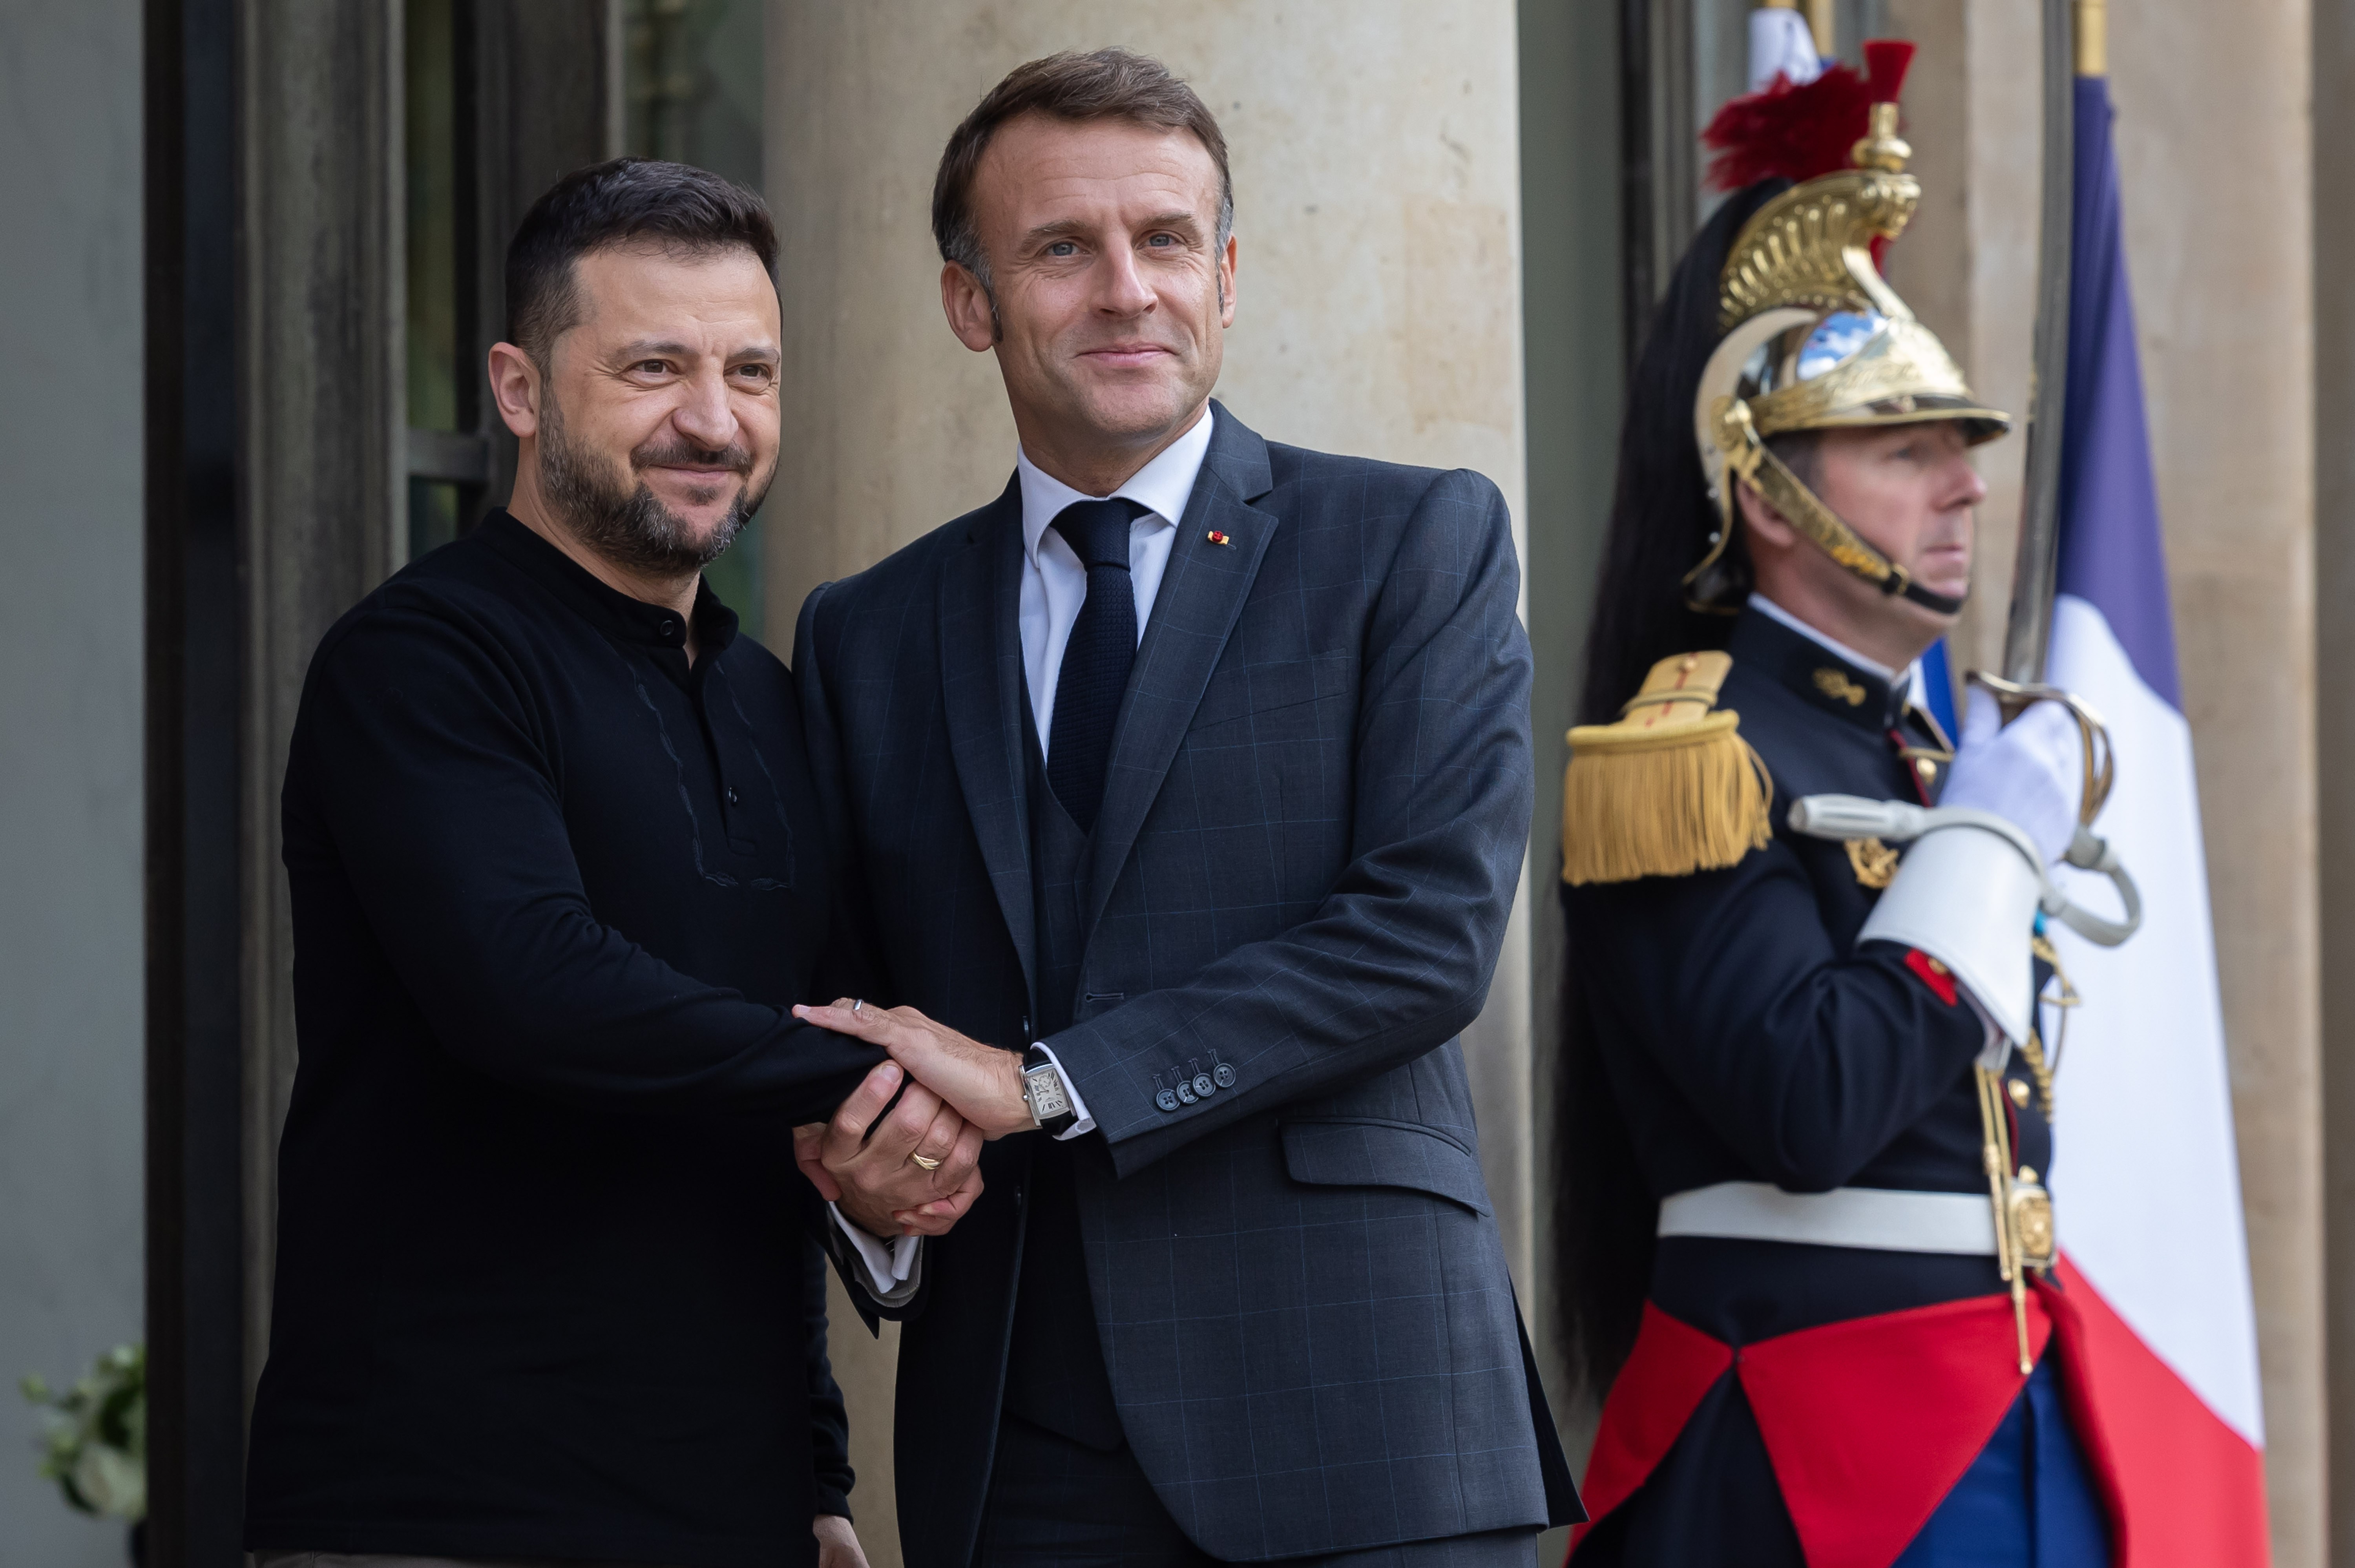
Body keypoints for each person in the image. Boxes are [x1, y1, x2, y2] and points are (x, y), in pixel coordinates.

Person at [786, 47, 1582, 1568]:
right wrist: (873, 1180)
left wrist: (1054, 1082)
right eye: (1062, 249)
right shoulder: (863, 633)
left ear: (1225, 279)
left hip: (1363, 1424)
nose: (1126, 291)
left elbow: (1425, 940)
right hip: (1019, 1447)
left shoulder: (1413, 543)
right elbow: (855, 1013)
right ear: (971, 304)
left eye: (1165, 243)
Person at [242, 159, 965, 1568]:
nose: (714, 420)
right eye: (654, 366)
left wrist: (820, 1473)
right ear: (519, 389)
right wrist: (913, 1077)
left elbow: (766, 1105)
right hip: (438, 1510)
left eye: (752, 371)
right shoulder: (423, 660)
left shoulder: (770, 700)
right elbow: (535, 984)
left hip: (738, 1510)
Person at [1554, 46, 2120, 1568]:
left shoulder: (1912, 759)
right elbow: (1808, 1102)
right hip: (1810, 1450)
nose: (1965, 489)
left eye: (1960, 449)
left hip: (2006, 1403)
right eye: (1903, 448)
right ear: (1765, 493)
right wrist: (1993, 849)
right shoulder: (1687, 757)